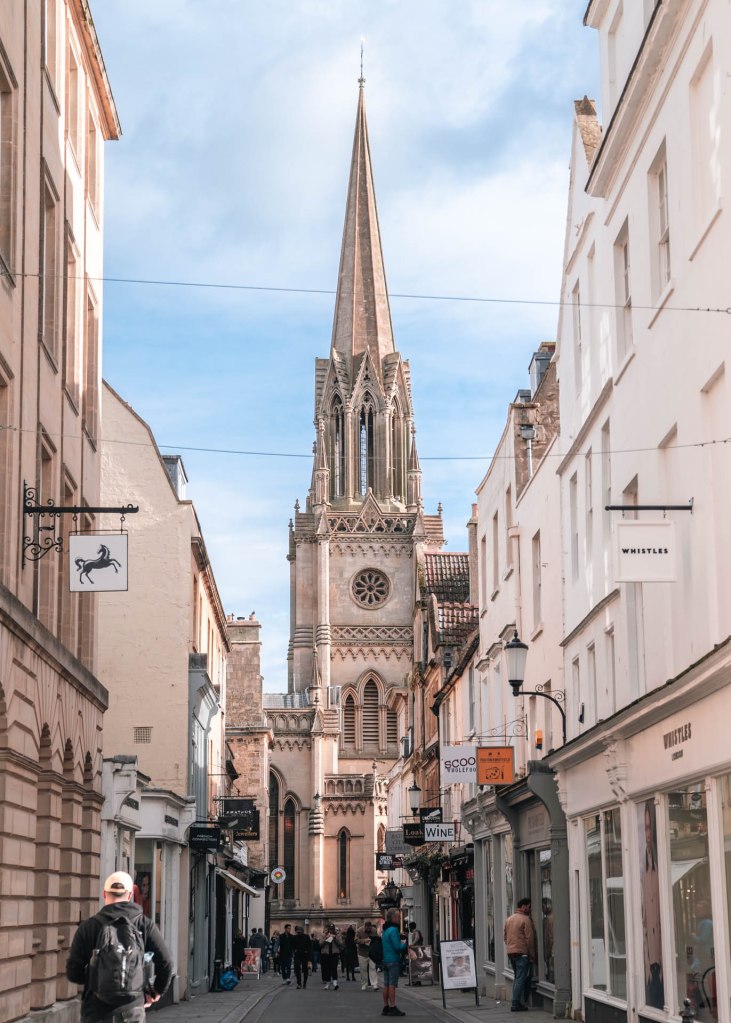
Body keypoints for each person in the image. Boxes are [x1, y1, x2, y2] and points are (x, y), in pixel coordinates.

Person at [66, 871, 173, 1023]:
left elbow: (73, 972)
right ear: (130, 895)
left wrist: (96, 978)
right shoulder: (144, 924)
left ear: (104, 894)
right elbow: (166, 962)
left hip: (96, 1011)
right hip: (132, 1009)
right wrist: (155, 991)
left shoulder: (88, 927)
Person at [641, 800, 664, 1009]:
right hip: (650, 965)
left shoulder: (659, 866)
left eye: (650, 828)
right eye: (645, 829)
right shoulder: (643, 869)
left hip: (662, 963)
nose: (647, 834)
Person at [504, 897, 537, 1012]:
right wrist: (532, 955)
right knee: (520, 978)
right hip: (522, 953)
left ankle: (518, 1001)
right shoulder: (525, 919)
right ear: (523, 907)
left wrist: (510, 947)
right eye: (529, 907)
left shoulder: (509, 919)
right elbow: (530, 939)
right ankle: (515, 1003)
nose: (530, 909)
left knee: (517, 977)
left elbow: (505, 937)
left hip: (511, 953)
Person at [381, 909, 407, 1017]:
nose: (399, 918)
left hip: (385, 959)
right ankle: (392, 1007)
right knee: (392, 984)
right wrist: (405, 945)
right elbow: (397, 947)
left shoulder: (385, 930)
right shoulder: (393, 930)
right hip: (393, 960)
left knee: (386, 984)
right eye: (398, 917)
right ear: (393, 918)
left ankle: (386, 1006)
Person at [356, 920, 379, 990]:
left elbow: (377, 939)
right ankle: (364, 984)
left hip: (372, 953)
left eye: (370, 928)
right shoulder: (359, 931)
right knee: (363, 969)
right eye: (367, 928)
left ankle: (374, 984)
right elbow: (356, 940)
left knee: (373, 968)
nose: (369, 930)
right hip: (362, 953)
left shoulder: (374, 930)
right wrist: (364, 941)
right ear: (365, 927)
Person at [319, 923, 343, 990]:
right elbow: (320, 944)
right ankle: (327, 983)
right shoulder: (324, 935)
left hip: (334, 953)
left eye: (332, 929)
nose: (331, 931)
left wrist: (334, 938)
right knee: (327, 969)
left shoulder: (337, 935)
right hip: (326, 954)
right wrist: (326, 938)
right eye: (330, 929)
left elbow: (340, 943)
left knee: (334, 968)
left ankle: (335, 983)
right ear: (328, 929)